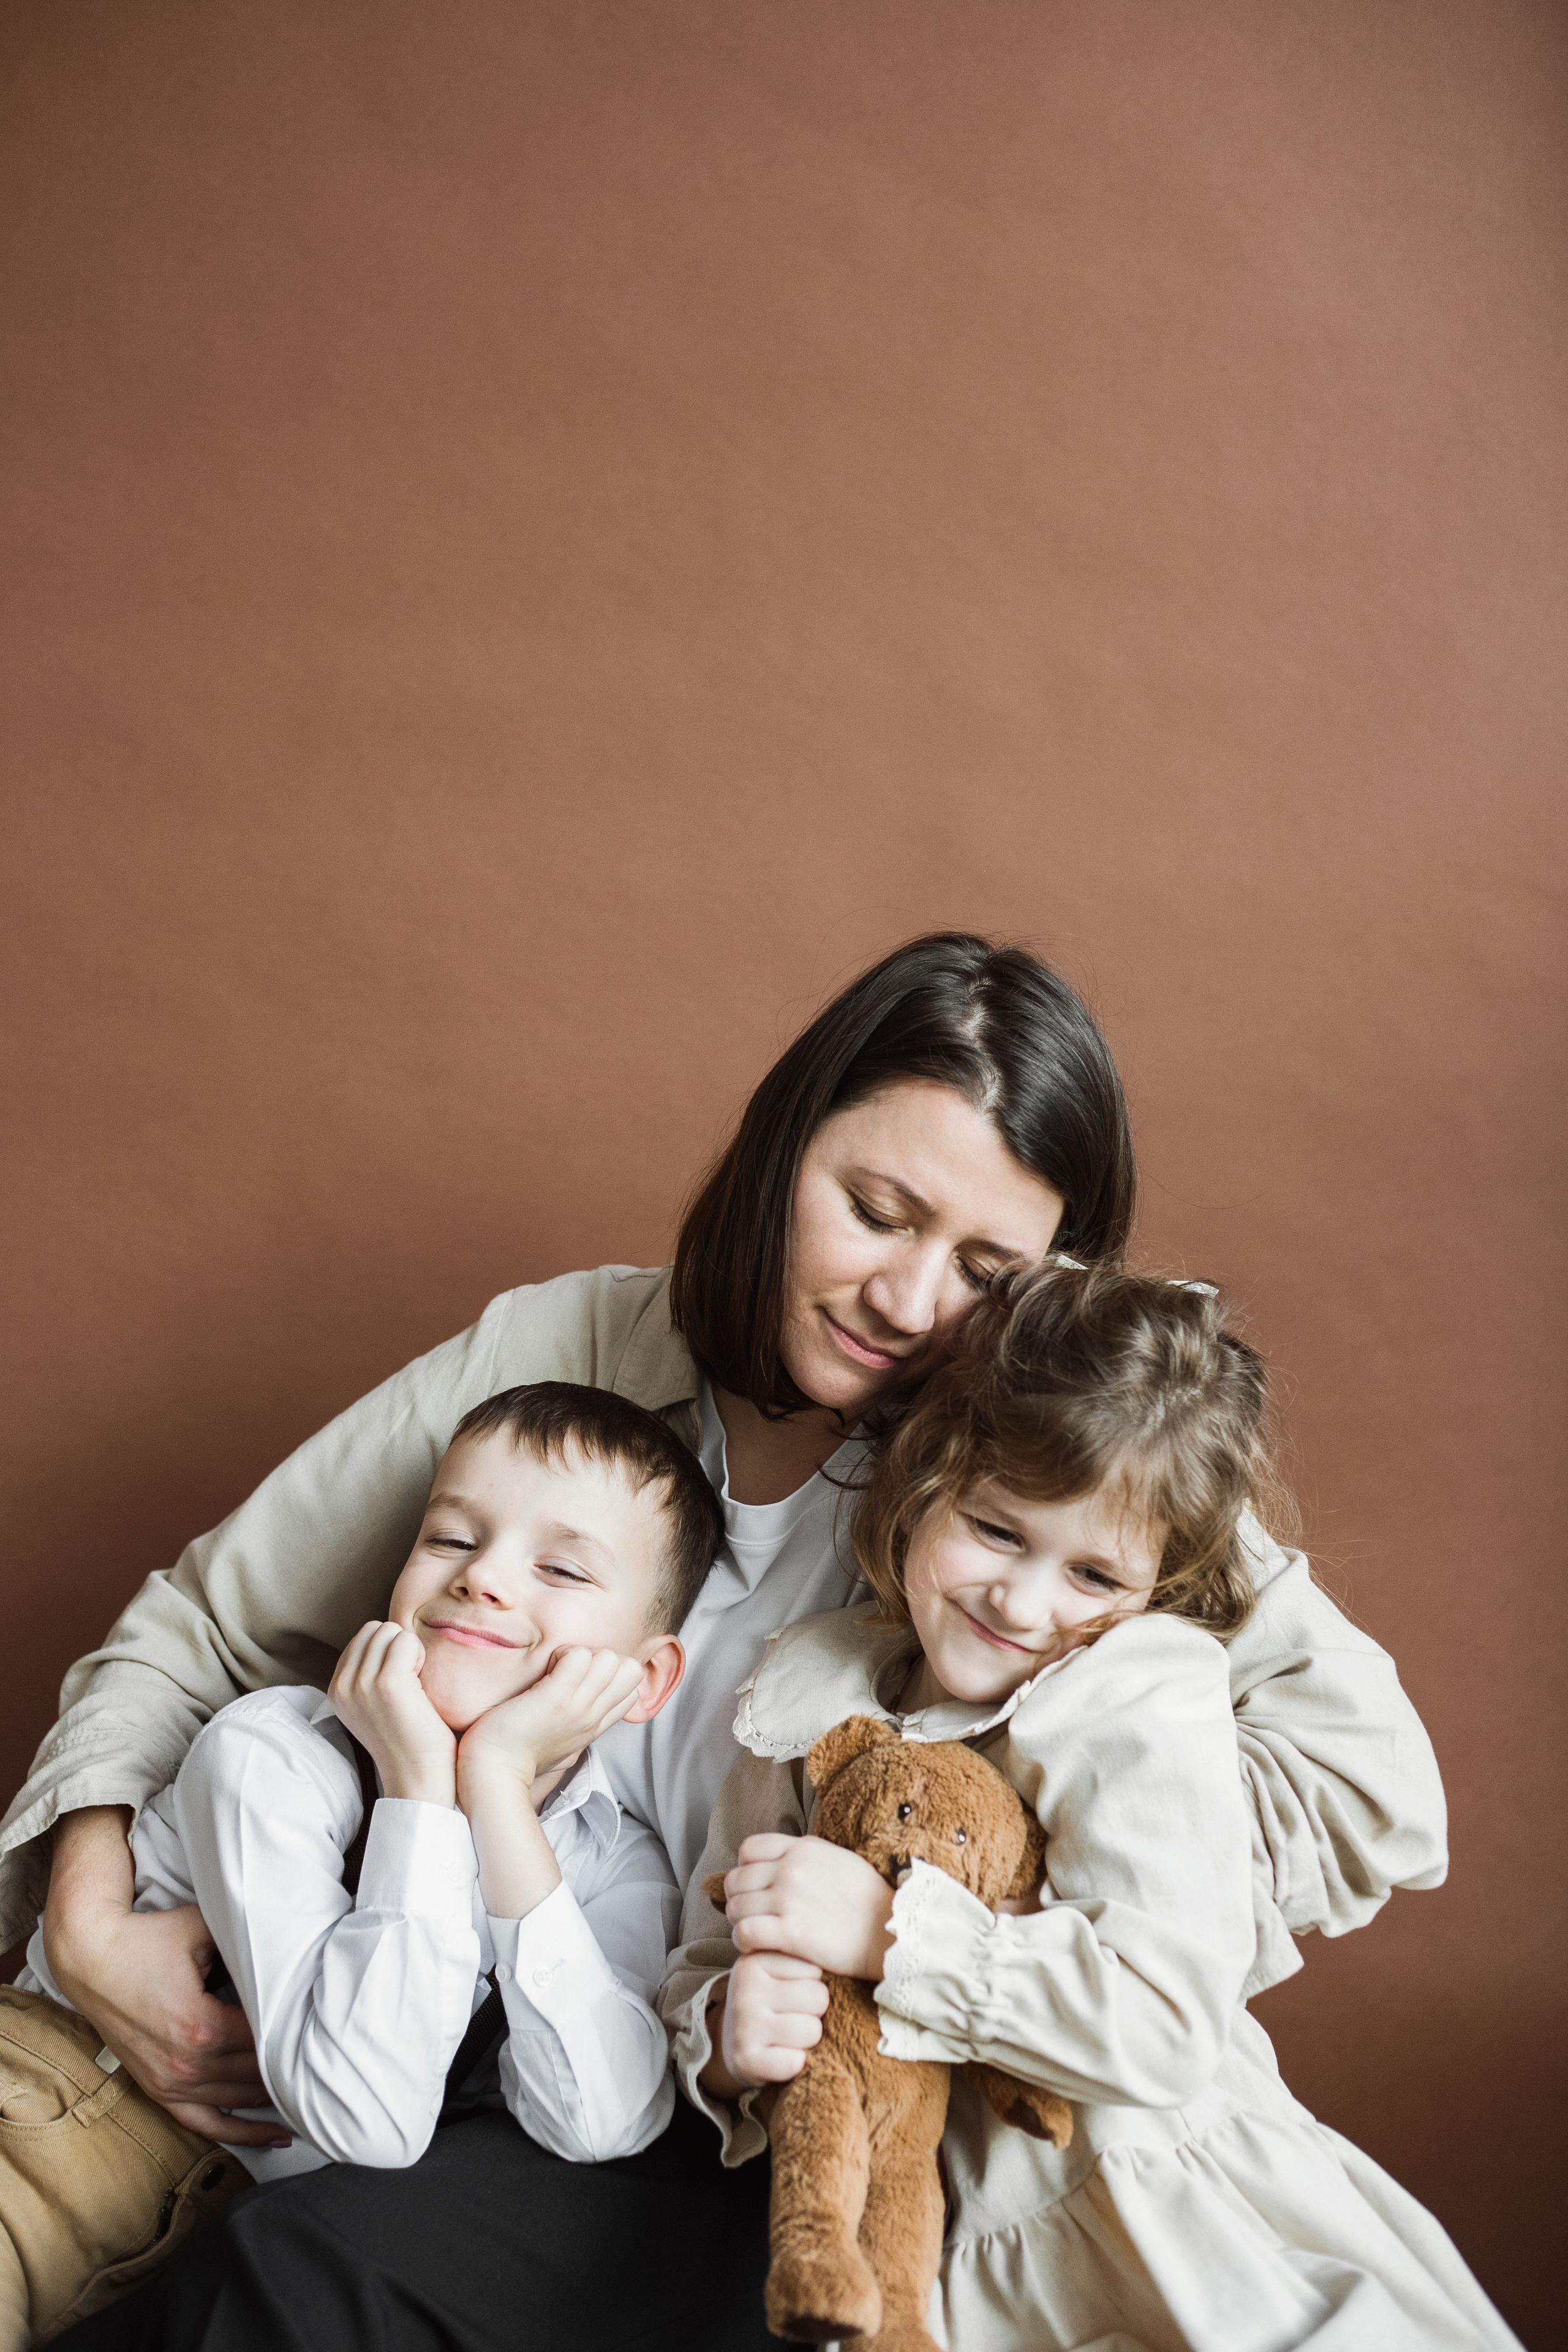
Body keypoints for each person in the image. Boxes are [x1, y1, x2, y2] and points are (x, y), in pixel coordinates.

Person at [0, 933, 1447, 2349]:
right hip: (400, 1976)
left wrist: (963, 1896)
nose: (906, 1301)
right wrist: (86, 1912)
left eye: (985, 1272)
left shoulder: (1036, 1484)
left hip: (729, 2100)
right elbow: (204, 1622)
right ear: (782, 1151)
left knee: (314, 2272)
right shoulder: (565, 1349)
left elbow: (1365, 1786)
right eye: (875, 1212)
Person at [669, 1266, 1517, 2351]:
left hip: (1160, 2223)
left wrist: (889, 1935)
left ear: (1158, 1584)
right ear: (927, 1478)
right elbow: (705, 1955)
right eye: (996, 1529)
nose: (1022, 1604)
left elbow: (1163, 2019)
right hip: (933, 2261)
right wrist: (730, 2045)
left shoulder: (1131, 1696)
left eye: (1096, 1577)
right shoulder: (808, 1689)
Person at [2, 1382, 717, 2345]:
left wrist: (496, 1790)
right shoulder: (272, 1753)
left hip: (227, 2245)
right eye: (452, 1541)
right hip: (54, 2122)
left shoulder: (611, 1860)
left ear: (646, 1679)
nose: (484, 1579)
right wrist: (419, 1788)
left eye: (561, 1569)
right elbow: (368, 2115)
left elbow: (603, 2121)